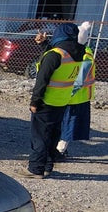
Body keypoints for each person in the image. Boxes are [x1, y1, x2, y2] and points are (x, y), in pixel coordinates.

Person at [18, 22, 84, 179]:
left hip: (46, 101)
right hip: (62, 101)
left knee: (40, 137)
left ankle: (35, 169)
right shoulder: (79, 53)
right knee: (53, 136)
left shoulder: (54, 55)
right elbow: (59, 59)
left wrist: (35, 101)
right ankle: (47, 167)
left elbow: (42, 80)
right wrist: (44, 44)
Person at [56, 21, 94, 160]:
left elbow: (80, 79)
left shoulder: (83, 55)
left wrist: (68, 93)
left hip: (75, 97)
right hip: (75, 96)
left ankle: (60, 150)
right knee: (65, 123)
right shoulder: (83, 53)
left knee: (68, 125)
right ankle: (59, 148)